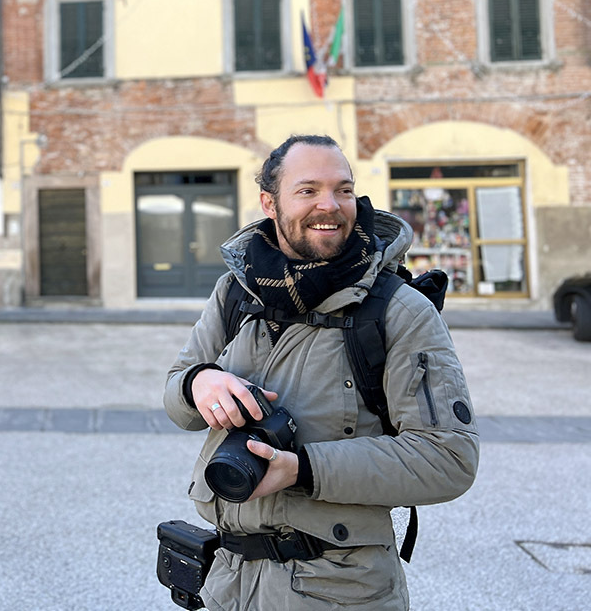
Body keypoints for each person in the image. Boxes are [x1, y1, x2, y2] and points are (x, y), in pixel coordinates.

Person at [163, 134, 479, 610]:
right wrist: (198, 382)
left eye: (344, 189)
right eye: (308, 190)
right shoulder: (236, 292)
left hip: (340, 590)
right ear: (270, 202)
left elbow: (449, 459)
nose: (330, 205)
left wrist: (303, 469)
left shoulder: (398, 310)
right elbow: (178, 395)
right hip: (228, 585)